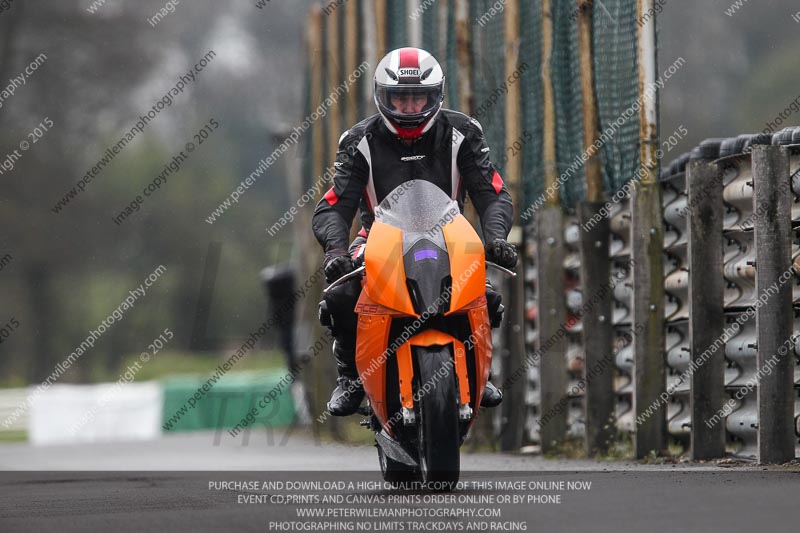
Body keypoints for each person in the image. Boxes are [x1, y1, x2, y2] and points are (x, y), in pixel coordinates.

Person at [312, 47, 517, 416]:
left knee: (487, 295)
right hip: (377, 239)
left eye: (417, 97)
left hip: (450, 237)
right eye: (400, 98)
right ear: (383, 97)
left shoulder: (463, 132)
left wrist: (497, 238)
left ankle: (480, 371)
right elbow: (334, 204)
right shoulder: (358, 140)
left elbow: (492, 192)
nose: (409, 107)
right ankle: (350, 378)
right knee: (341, 295)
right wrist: (335, 252)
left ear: (435, 94)